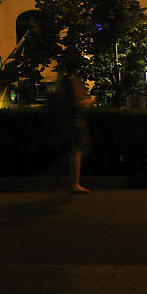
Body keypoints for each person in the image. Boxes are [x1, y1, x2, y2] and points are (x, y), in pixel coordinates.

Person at [52, 55, 94, 194]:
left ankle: (72, 182)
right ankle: (74, 183)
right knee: (77, 150)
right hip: (75, 120)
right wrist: (90, 100)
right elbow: (77, 102)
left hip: (66, 119)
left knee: (74, 150)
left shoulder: (63, 81)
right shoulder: (73, 82)